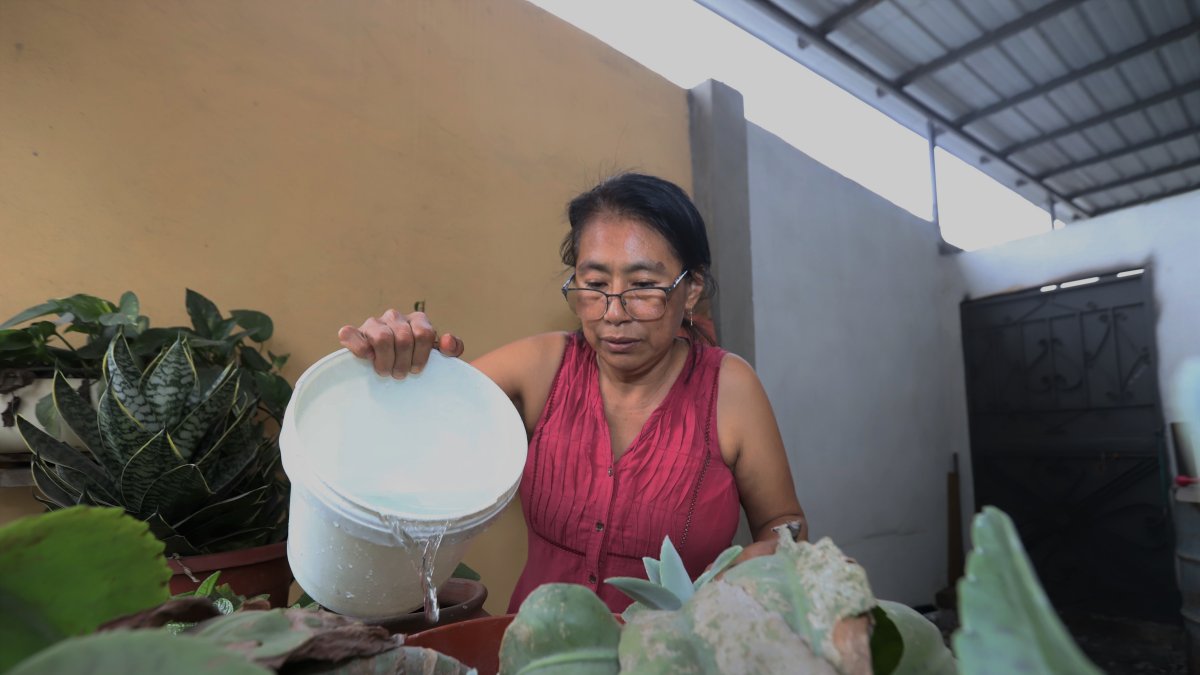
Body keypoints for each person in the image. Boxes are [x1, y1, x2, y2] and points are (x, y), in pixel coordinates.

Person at [339, 173, 805, 613]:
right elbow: (411, 428)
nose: (614, 312)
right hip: (538, 655)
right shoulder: (540, 368)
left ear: (692, 289)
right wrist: (396, 359)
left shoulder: (729, 390)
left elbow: (784, 523)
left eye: (643, 286)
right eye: (595, 284)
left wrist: (763, 559)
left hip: (674, 657)